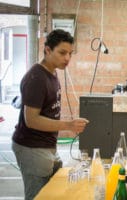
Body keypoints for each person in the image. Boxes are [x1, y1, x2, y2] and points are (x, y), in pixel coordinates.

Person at [12, 29, 89, 200]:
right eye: (62, 53)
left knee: (54, 190)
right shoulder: (36, 78)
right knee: (39, 196)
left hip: (48, 146)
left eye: (70, 53)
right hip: (32, 147)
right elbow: (31, 120)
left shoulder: (52, 73)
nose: (67, 58)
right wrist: (68, 125)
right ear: (47, 50)